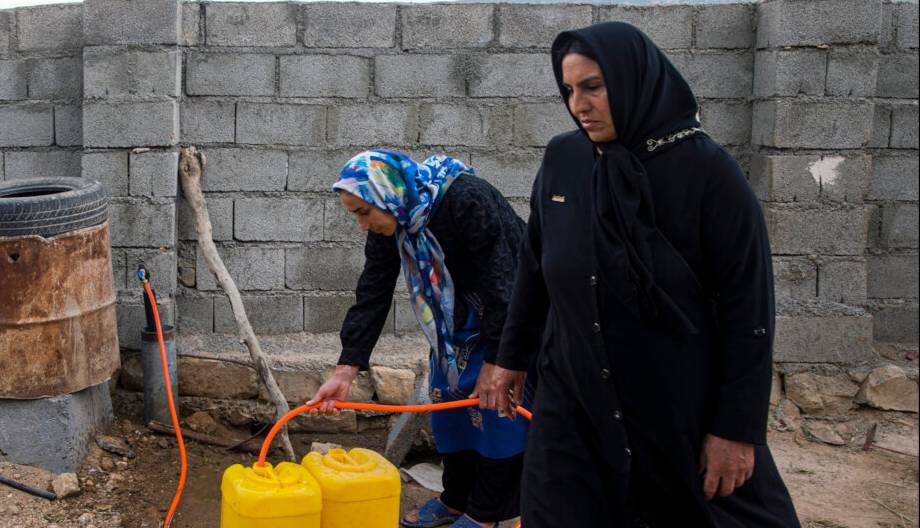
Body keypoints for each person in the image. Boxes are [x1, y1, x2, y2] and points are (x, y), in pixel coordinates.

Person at [483, 22, 801, 527]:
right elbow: (536, 265)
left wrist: (737, 430)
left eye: (593, 87)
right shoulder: (564, 159)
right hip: (572, 398)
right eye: (568, 91)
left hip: (673, 405)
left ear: (634, 79)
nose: (579, 105)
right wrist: (511, 358)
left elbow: (749, 308)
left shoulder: (708, 172)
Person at [308, 150, 533, 528]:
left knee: (496, 411)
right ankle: (457, 499)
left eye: (363, 212)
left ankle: (486, 513)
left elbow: (504, 282)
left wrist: (498, 362)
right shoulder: (394, 218)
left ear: (387, 194)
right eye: (355, 215)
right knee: (449, 405)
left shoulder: (466, 199)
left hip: (508, 314)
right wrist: (346, 369)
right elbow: (373, 291)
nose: (362, 225)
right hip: (455, 321)